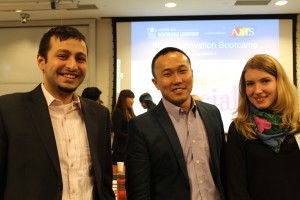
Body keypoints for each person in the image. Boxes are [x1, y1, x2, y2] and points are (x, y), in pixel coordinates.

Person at [0, 26, 115, 200]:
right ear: (41, 61)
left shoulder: (99, 115)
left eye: (80, 58)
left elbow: (104, 181)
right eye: (62, 56)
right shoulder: (8, 110)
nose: (72, 65)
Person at [125, 47, 226, 200]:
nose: (177, 80)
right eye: (167, 74)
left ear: (192, 74)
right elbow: (138, 191)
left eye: (182, 71)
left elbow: (223, 170)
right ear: (156, 83)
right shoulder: (141, 127)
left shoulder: (212, 114)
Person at [226, 54, 300, 200]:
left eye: (265, 81)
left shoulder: (297, 123)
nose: (257, 90)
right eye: (250, 84)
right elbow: (236, 189)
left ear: (280, 83)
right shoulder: (240, 129)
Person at [112, 89, 135, 163]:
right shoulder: (118, 112)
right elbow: (118, 132)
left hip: (129, 149)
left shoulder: (130, 112)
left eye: (133, 98)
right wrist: (131, 137)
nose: (133, 101)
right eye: (131, 98)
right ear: (124, 99)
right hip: (120, 150)